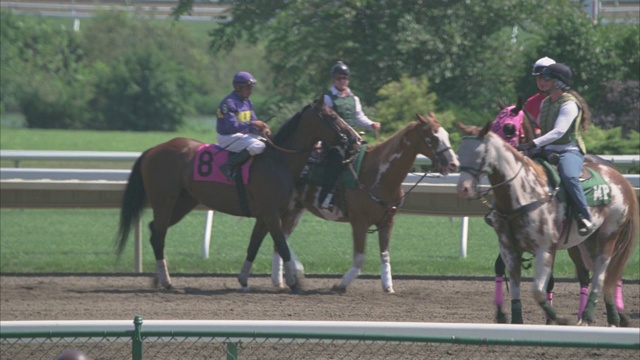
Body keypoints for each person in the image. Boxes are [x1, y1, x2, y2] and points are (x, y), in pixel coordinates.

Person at [516, 63, 594, 236]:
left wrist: (533, 143)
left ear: (558, 82)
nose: (542, 82)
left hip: (569, 150)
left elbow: (558, 132)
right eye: (541, 78)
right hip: (547, 150)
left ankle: (585, 216)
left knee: (568, 176)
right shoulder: (545, 103)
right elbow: (542, 130)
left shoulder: (570, 105)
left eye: (546, 78)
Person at [319, 61, 380, 209]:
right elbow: (325, 121)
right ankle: (326, 197)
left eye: (345, 78)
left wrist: (371, 124)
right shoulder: (328, 98)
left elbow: (359, 117)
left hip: (353, 138)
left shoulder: (354, 98)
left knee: (369, 155)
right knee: (337, 159)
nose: (342, 81)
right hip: (335, 140)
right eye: (339, 78)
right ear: (334, 79)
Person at [217, 71, 270, 181]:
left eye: (251, 88)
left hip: (242, 136)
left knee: (267, 143)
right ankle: (228, 166)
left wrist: (262, 128)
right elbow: (232, 127)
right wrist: (253, 123)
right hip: (227, 137)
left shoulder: (248, 102)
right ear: (238, 87)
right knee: (259, 146)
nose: (250, 92)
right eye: (247, 88)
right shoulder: (229, 103)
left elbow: (253, 122)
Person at [524, 56, 556, 136]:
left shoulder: (564, 100)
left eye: (546, 78)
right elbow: (526, 125)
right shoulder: (530, 102)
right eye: (539, 78)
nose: (542, 82)